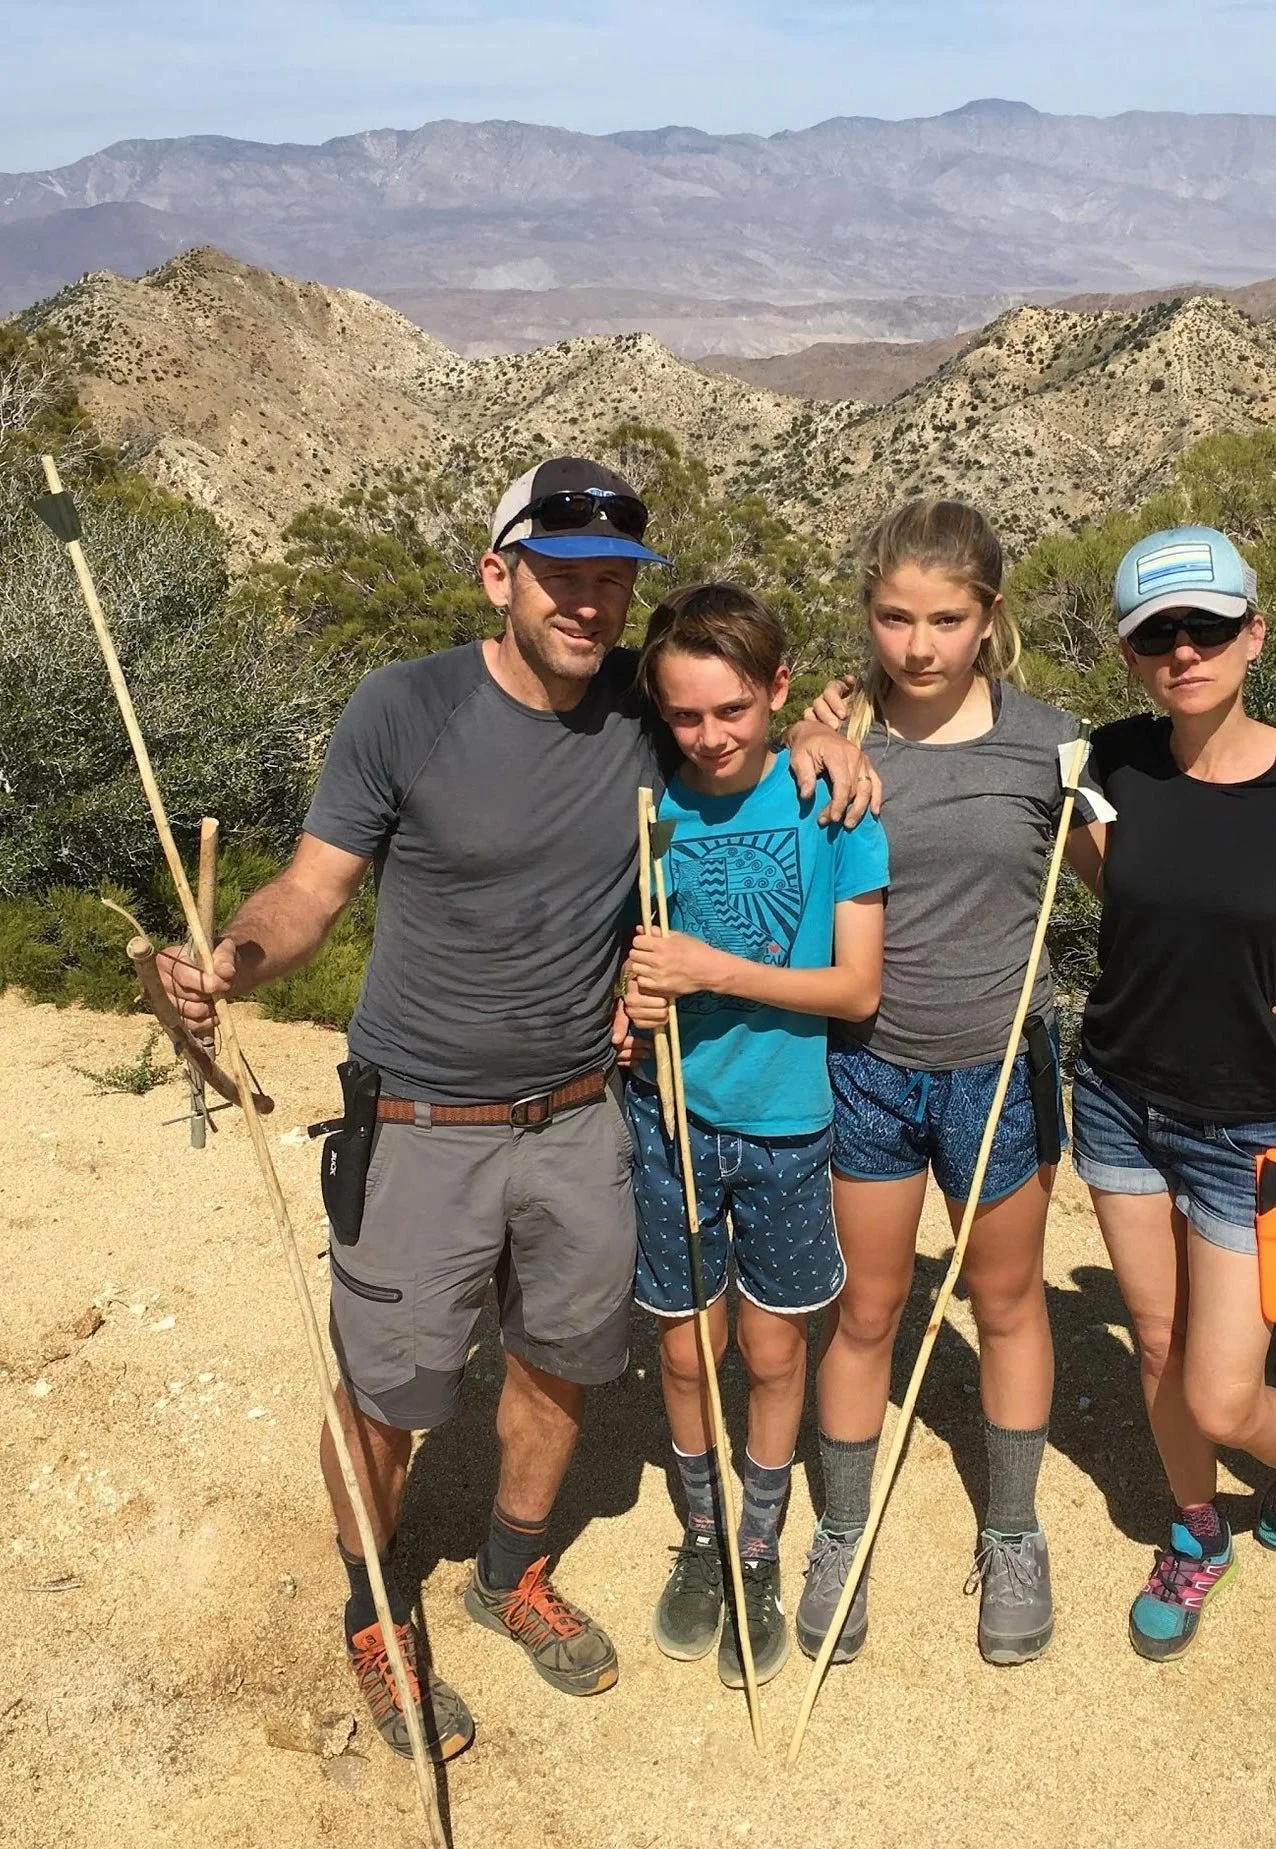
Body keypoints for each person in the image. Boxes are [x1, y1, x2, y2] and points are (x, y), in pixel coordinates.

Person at [155, 458, 876, 1759]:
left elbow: (746, 714)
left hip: (583, 1113)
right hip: (419, 1118)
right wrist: (229, 961)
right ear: (499, 575)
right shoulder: (404, 706)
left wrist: (823, 735)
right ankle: (376, 1615)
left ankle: (509, 1571)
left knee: (559, 1358)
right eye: (562, 575)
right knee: (387, 1390)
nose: (589, 603)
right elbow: (310, 891)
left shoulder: (643, 709)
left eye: (612, 582)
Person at [1070, 525, 1276, 1661]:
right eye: (1159, 636)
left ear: (1255, 635)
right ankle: (1197, 1534)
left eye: (1208, 627)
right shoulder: (1110, 760)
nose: (1184, 652)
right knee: (1157, 1347)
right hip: (1118, 1095)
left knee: (1226, 1398)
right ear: (1131, 654)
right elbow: (1108, 887)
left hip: (1249, 1120)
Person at [799, 498, 1086, 1666]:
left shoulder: (1054, 745)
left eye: (946, 620)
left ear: (989, 616)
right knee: (867, 1309)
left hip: (999, 1068)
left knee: (1006, 1302)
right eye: (894, 617)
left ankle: (1012, 1531)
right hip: (865, 1067)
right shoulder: (832, 740)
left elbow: (1135, 878)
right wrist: (800, 736)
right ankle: (841, 1531)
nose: (918, 646)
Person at [621, 583, 888, 1690]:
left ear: (779, 689)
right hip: (669, 1117)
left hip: (786, 1126)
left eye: (733, 709)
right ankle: (701, 1536)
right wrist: (630, 991)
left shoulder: (835, 807)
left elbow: (857, 987)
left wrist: (709, 970)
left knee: (775, 1351)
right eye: (685, 715)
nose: (710, 736)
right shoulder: (647, 802)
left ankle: (762, 1545)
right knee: (688, 1349)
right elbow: (623, 943)